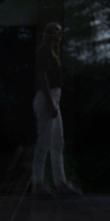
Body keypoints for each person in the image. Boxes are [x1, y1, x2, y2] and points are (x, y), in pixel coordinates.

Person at [31, 22, 81, 199]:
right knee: (44, 142)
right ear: (49, 34)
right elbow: (42, 77)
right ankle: (37, 184)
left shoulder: (52, 52)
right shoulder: (44, 52)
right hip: (47, 99)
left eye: (60, 32)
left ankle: (60, 184)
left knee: (57, 142)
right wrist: (51, 103)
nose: (59, 36)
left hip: (54, 100)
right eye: (56, 32)